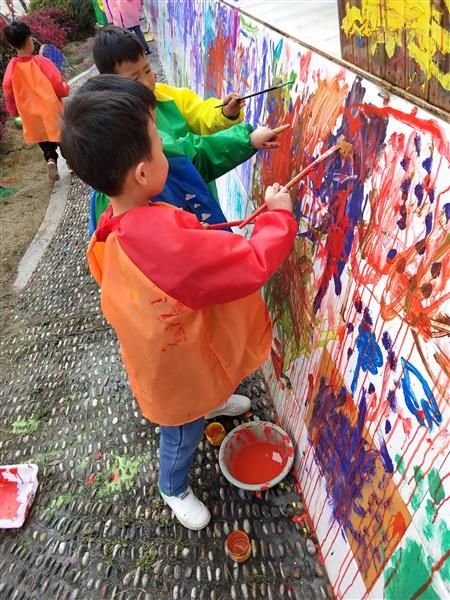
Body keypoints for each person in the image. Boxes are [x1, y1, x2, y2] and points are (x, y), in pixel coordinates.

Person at [61, 77, 298, 530]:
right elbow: (250, 262)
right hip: (171, 366)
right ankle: (172, 486)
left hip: (168, 340)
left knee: (204, 378)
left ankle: (210, 402)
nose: (166, 147)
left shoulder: (119, 214)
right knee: (181, 429)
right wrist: (278, 216)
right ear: (142, 173)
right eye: (158, 141)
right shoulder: (160, 243)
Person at [89, 26, 277, 232]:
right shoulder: (124, 142)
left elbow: (198, 131)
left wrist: (225, 114)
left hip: (196, 207)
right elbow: (193, 154)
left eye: (148, 70)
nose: (147, 81)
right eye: (135, 79)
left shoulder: (167, 97)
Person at [2, 21, 70, 182]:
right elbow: (56, 83)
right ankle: (71, 162)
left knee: (45, 143)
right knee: (63, 138)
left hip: (31, 115)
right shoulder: (41, 62)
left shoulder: (11, 68)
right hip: (51, 110)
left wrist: (14, 111)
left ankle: (51, 160)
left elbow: (8, 92)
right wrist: (65, 89)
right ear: (30, 39)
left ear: (11, 45)